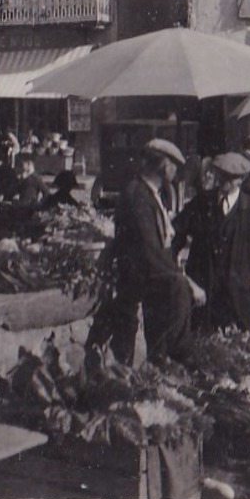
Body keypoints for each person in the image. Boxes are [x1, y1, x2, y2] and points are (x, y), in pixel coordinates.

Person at [86, 139, 204, 366]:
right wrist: (185, 280)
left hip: (151, 278)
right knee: (175, 305)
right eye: (173, 166)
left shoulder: (149, 193)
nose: (176, 171)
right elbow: (148, 249)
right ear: (163, 165)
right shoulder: (137, 196)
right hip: (141, 281)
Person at [172, 151, 250, 336]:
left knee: (239, 345)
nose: (223, 181)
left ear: (240, 180)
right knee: (201, 345)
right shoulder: (202, 203)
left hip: (239, 293)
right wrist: (182, 275)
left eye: (230, 178)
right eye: (220, 175)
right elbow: (175, 235)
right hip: (204, 290)